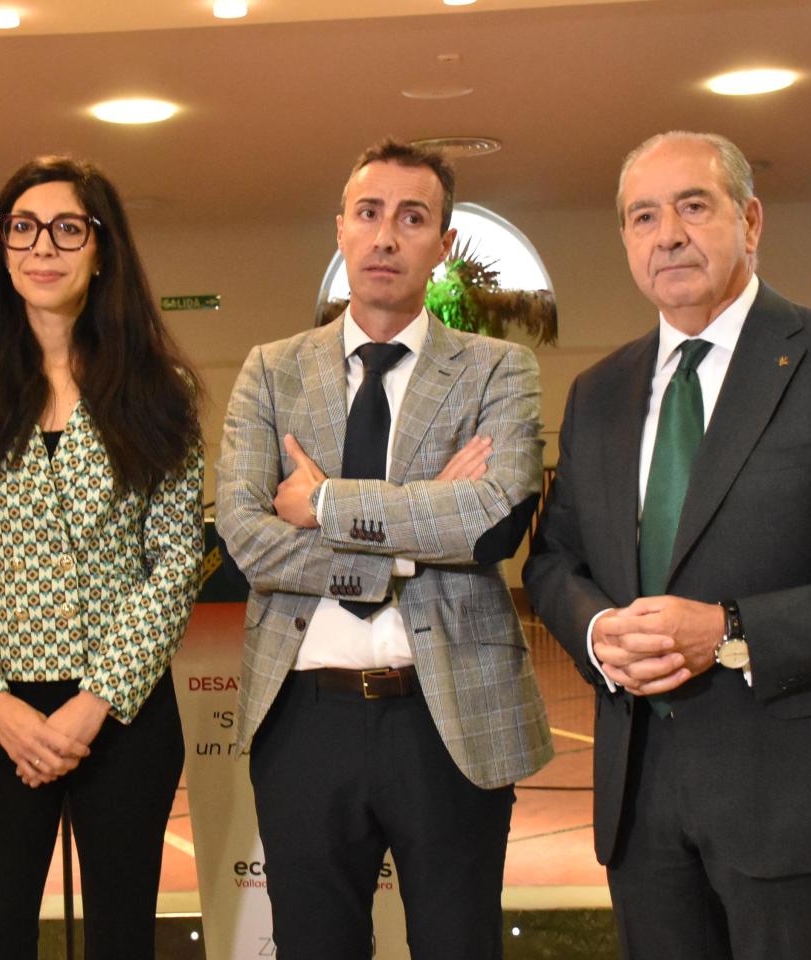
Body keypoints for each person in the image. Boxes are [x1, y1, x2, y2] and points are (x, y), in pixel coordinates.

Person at [523, 131, 811, 959]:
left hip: (797, 798)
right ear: (625, 240)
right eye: (643, 216)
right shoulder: (600, 392)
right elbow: (554, 560)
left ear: (750, 220)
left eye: (694, 206)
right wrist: (594, 631)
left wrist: (729, 629)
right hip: (639, 798)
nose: (669, 235)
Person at [214, 139, 551, 959]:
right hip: (304, 718)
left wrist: (325, 502)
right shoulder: (271, 371)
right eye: (369, 214)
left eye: (412, 218)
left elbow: (491, 521)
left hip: (450, 720)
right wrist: (415, 534)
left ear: (442, 242)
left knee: (458, 944)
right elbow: (249, 539)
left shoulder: (498, 370)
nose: (387, 236)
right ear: (340, 228)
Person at [0, 155, 204, 960]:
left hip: (123, 712)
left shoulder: (159, 393)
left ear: (102, 249)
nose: (43, 247)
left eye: (67, 228)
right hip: (2, 716)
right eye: (23, 229)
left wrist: (94, 702)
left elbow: (174, 561)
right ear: (2, 250)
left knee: (121, 938)